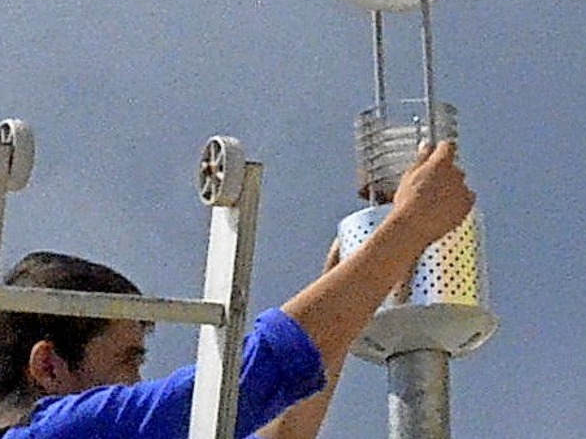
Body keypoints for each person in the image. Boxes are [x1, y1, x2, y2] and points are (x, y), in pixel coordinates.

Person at [0, 142, 474, 439]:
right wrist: (412, 225)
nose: (138, 385)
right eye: (127, 359)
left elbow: (274, 434)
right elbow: (254, 376)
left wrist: (351, 286)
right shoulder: (67, 432)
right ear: (49, 366)